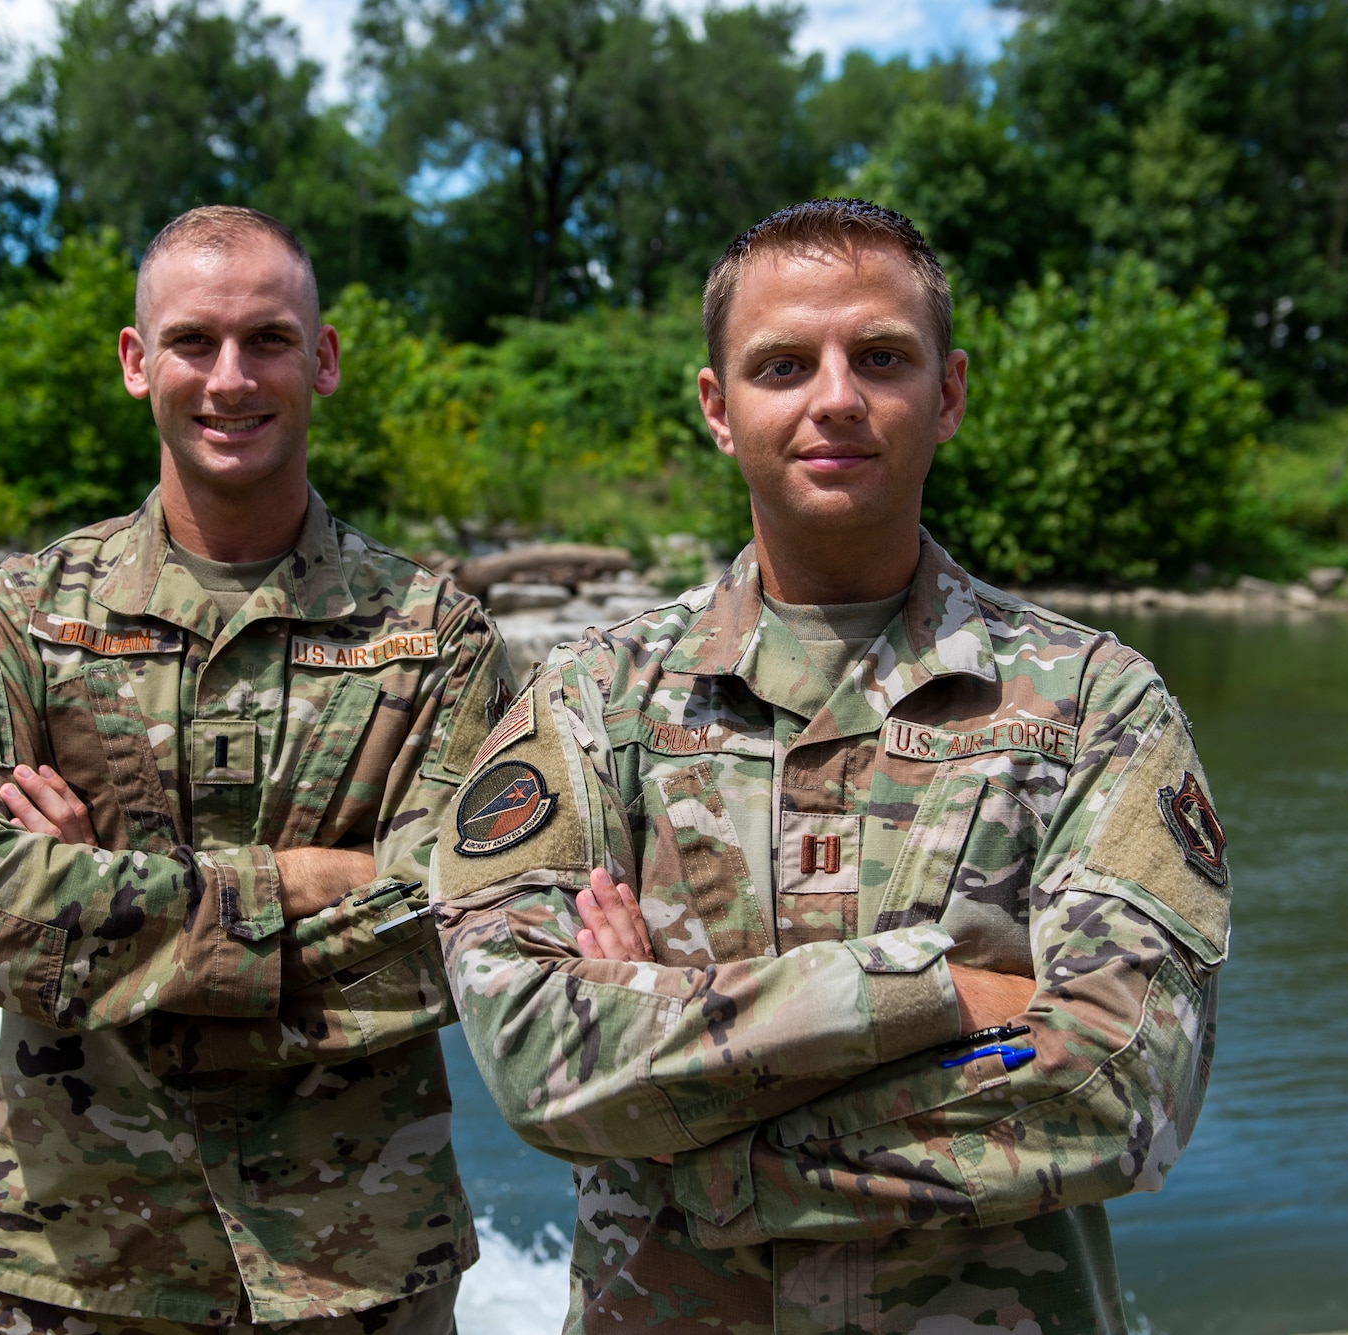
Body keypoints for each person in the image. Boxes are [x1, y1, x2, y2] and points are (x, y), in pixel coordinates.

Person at [429, 198, 1228, 1332]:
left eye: (881, 357)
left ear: (945, 393)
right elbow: (532, 1061)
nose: (835, 397)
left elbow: (1119, 1089)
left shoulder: (1094, 702)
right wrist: (946, 994)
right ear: (718, 407)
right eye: (782, 363)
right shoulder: (592, 700)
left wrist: (686, 1102)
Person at [0, 205, 512, 1335]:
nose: (229, 378)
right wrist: (306, 886)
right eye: (191, 342)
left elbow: (455, 934)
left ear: (321, 362)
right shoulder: (21, 620)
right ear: (136, 363)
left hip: (353, 1278)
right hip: (68, 1268)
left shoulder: (436, 638)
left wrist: (93, 915)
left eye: (267, 339)